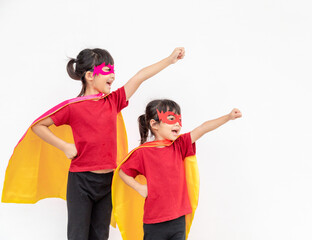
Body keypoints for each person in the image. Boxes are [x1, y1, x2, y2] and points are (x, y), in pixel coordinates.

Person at [2, 47, 185, 240]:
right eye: (107, 71)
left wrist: (169, 60)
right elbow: (38, 126)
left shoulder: (113, 101)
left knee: (100, 235)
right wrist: (65, 146)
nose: (113, 76)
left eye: (113, 71)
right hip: (81, 182)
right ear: (90, 75)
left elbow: (140, 76)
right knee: (78, 235)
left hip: (107, 182)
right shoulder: (72, 107)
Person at [113, 99, 242, 240]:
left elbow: (203, 128)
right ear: (154, 124)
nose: (177, 123)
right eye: (171, 119)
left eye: (179, 119)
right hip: (154, 223)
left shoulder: (180, 145)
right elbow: (123, 172)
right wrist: (139, 188)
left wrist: (228, 117)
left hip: (178, 220)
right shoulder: (142, 153)